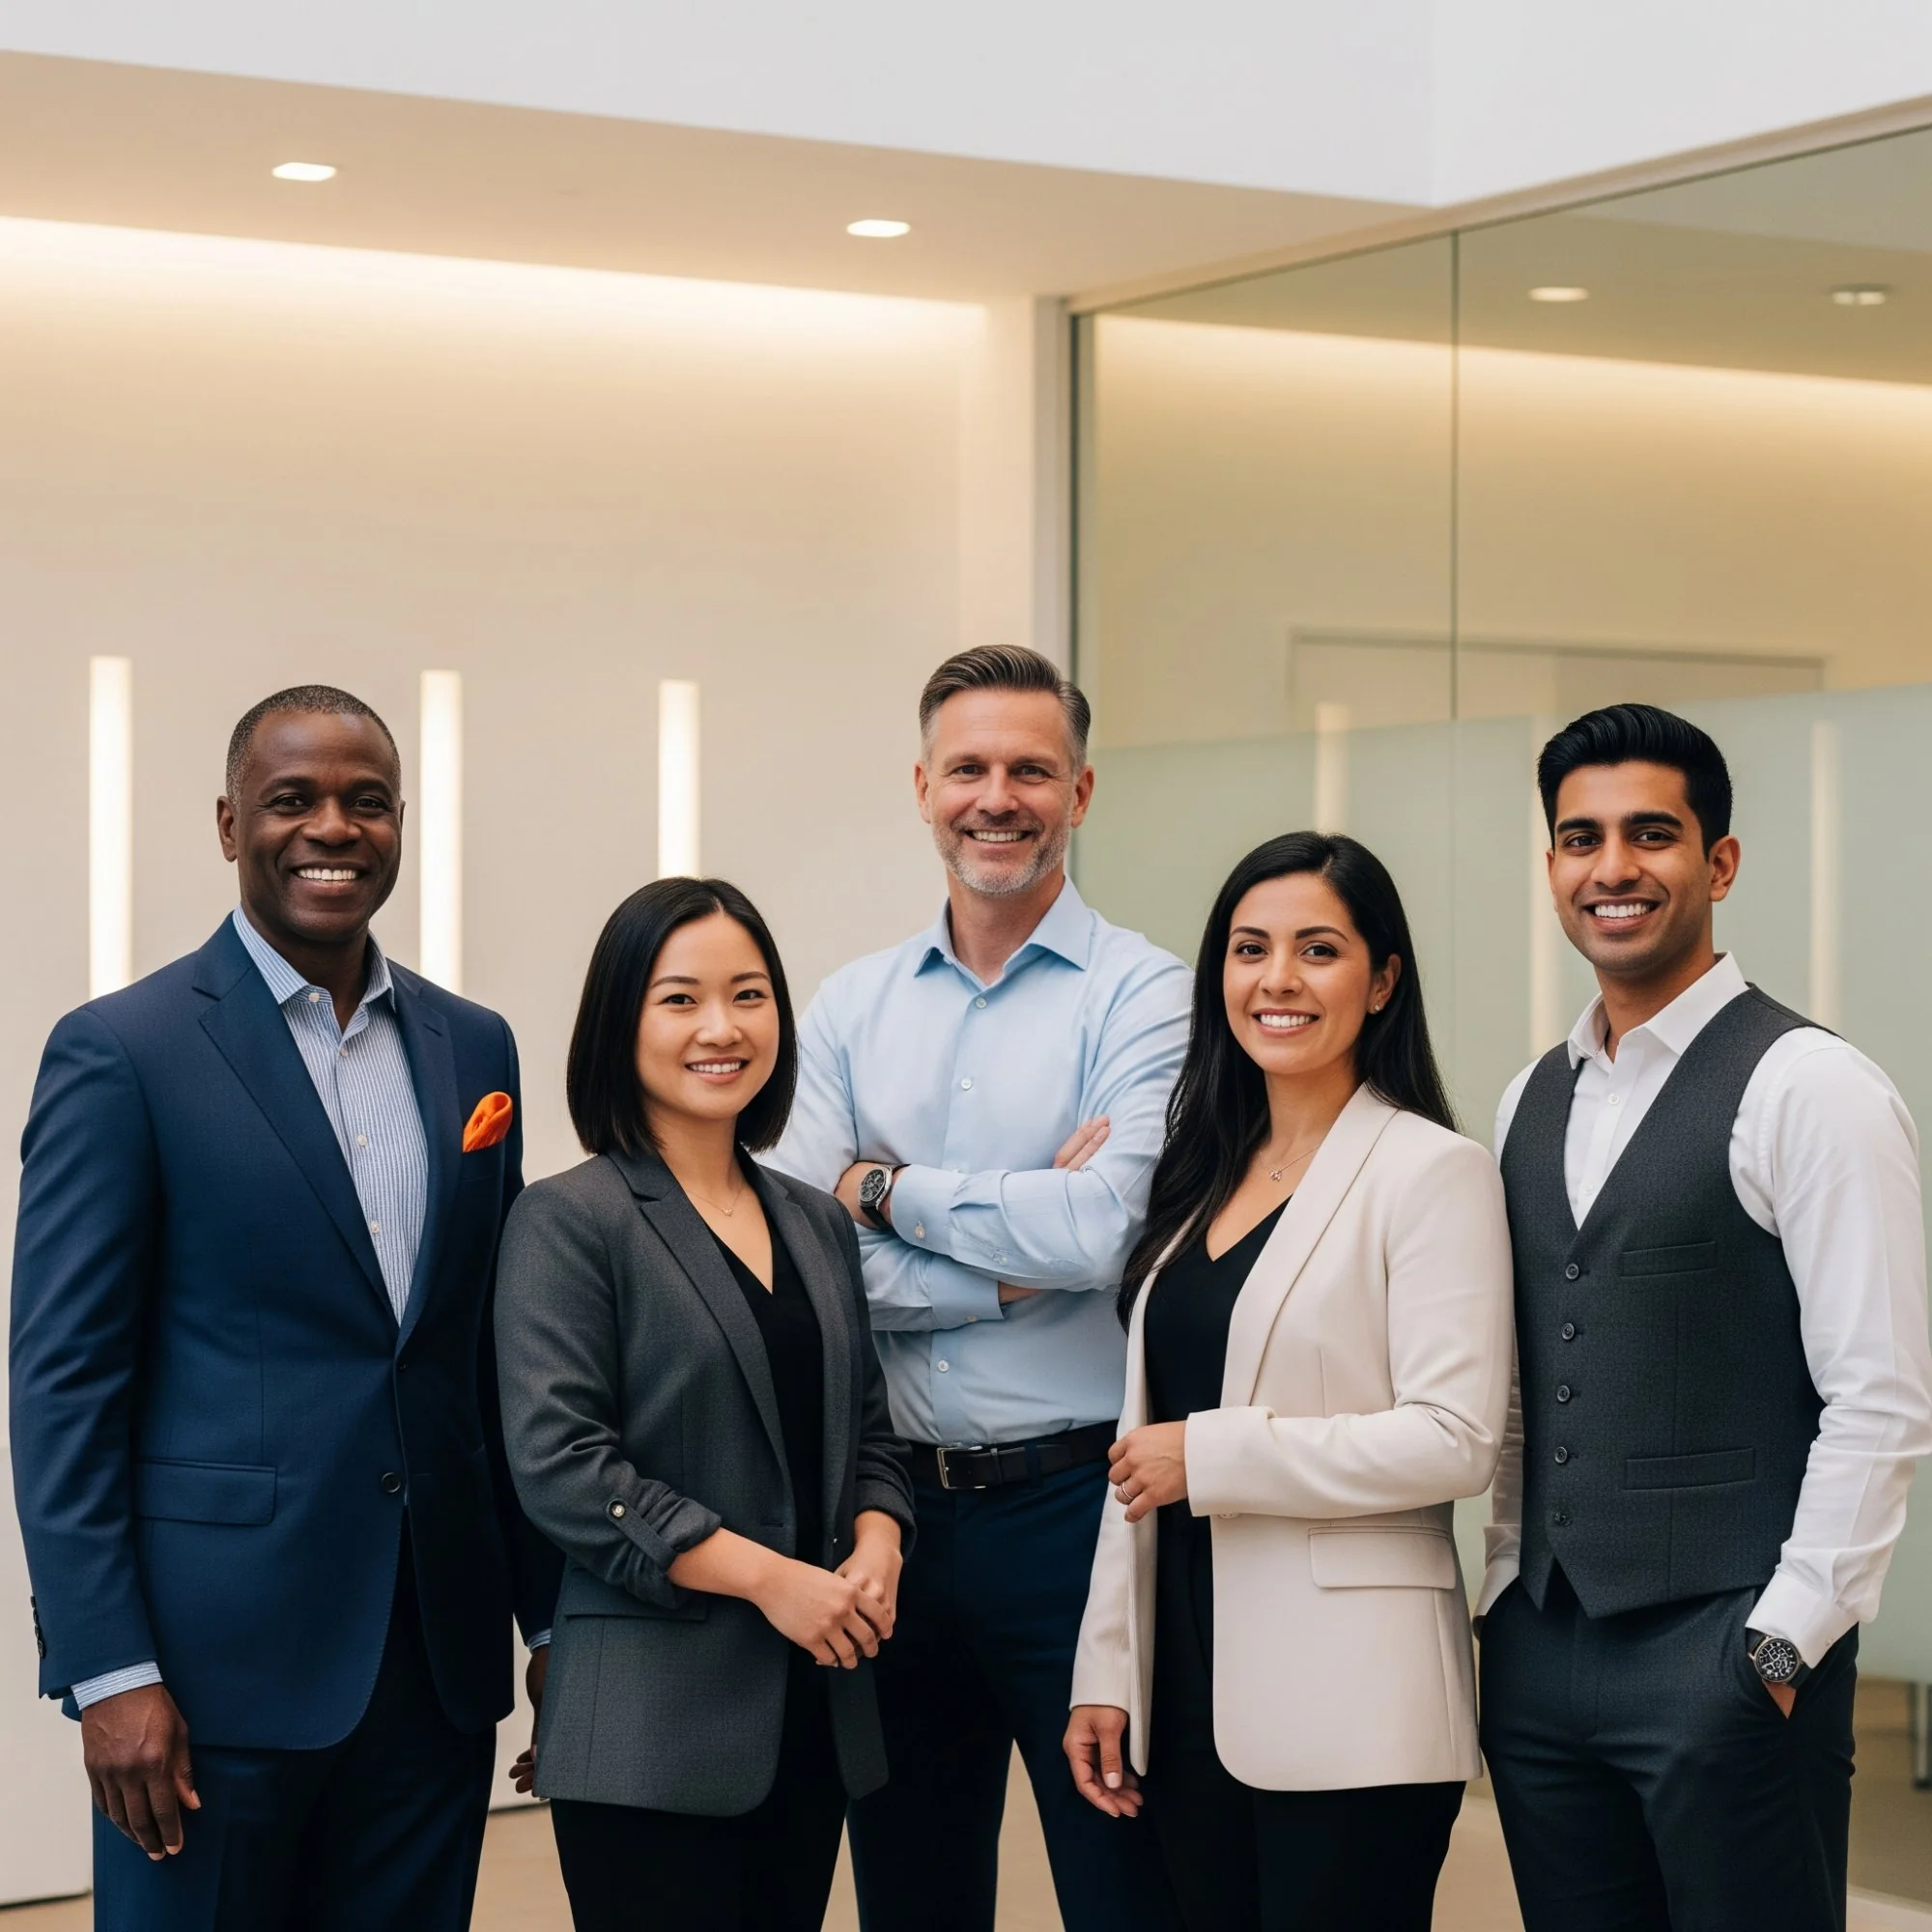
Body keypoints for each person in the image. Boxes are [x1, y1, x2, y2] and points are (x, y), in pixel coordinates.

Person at [9, 685, 561, 1930]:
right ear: (227, 823)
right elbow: (62, 1386)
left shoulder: (476, 1048)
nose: (332, 827)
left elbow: (483, 1358)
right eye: (292, 799)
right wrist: (110, 1667)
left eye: (366, 801)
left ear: (401, 824)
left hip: (432, 1662)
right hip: (208, 1682)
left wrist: (550, 1619)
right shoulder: (124, 1050)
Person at [1478, 702, 1932, 1932]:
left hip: (1728, 1657)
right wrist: (1500, 1594)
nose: (1610, 868)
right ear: (1552, 863)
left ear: (1717, 861)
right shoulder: (1527, 1096)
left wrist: (1780, 1646)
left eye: (1649, 833)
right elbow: (1531, 1386)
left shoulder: (1810, 1085)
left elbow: (1881, 1395)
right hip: (1539, 1659)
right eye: (1579, 837)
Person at [772, 644, 1191, 1932]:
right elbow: (800, 1259)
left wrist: (885, 1191)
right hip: (888, 1523)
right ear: (921, 785)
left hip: (1080, 1521)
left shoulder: (1150, 994)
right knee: (912, 1891)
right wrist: (1013, 1265)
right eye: (968, 768)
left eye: (1029, 769)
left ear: (1082, 789)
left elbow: (1106, 1235)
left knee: (1122, 1886)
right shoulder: (845, 1007)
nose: (995, 797)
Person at [1065, 831, 1513, 1931]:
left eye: (1317, 949)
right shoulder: (1198, 1171)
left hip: (1351, 1701)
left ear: (1382, 979)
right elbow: (1137, 1452)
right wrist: (1105, 1663)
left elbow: (1453, 1437)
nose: (1276, 979)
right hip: (1181, 1683)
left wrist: (1211, 1453)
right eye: (1247, 947)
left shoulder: (1431, 1171)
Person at [495, 876, 915, 1932]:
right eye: (679, 998)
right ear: (618, 1021)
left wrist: (877, 1539)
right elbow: (563, 1465)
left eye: (749, 994)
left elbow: (865, 1428)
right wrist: (774, 1579)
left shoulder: (815, 1222)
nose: (721, 1028)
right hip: (648, 1729)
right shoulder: (566, 1220)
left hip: (813, 1710)